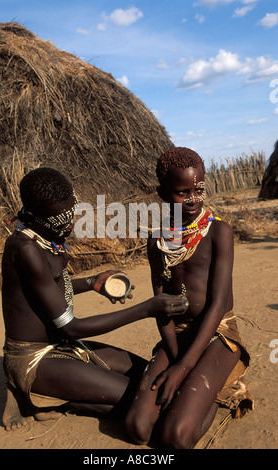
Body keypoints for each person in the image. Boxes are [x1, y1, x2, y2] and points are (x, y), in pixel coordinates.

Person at [1, 167, 186, 431]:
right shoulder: (25, 249)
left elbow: (47, 290)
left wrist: (91, 282)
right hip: (34, 358)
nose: (70, 225)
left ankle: (53, 394)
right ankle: (34, 396)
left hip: (63, 346)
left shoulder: (48, 237)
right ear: (32, 217)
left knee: (148, 376)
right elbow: (71, 327)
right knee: (146, 402)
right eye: (61, 221)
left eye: (71, 216)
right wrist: (146, 309)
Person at [125, 147, 253, 449]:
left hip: (217, 334)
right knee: (138, 428)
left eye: (199, 189)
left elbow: (219, 303)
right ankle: (197, 391)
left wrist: (183, 368)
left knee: (175, 437)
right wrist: (173, 352)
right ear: (162, 192)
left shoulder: (219, 232)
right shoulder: (157, 239)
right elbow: (160, 299)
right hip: (177, 335)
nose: (193, 198)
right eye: (183, 192)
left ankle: (212, 393)